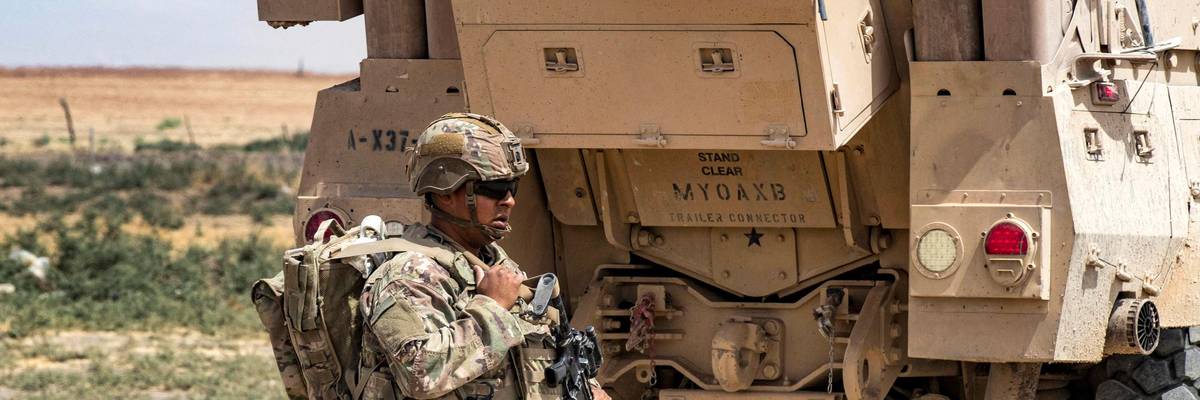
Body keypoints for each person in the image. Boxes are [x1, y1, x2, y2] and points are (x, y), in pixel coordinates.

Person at [357, 113, 609, 400]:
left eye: (512, 187)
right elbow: (419, 374)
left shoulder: (495, 265)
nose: (509, 201)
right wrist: (491, 307)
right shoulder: (408, 275)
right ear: (445, 193)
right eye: (494, 189)